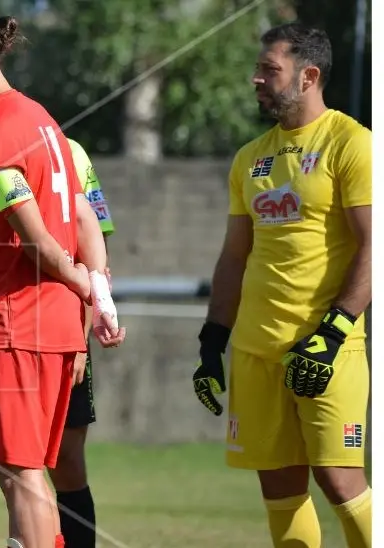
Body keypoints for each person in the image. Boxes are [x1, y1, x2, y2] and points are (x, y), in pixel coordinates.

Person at [0, 14, 124, 548]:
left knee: (20, 469)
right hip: (56, 325)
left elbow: (35, 241)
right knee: (26, 470)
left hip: (16, 321)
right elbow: (82, 219)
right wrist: (96, 293)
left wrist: (87, 286)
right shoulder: (47, 124)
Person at [193, 22, 371, 548]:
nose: (256, 79)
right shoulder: (251, 157)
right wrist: (211, 343)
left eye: (269, 70)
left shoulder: (352, 143)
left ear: (308, 75)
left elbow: (373, 245)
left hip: (327, 346)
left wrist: (334, 332)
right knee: (280, 488)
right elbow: (233, 257)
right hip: (255, 350)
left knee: (338, 481)